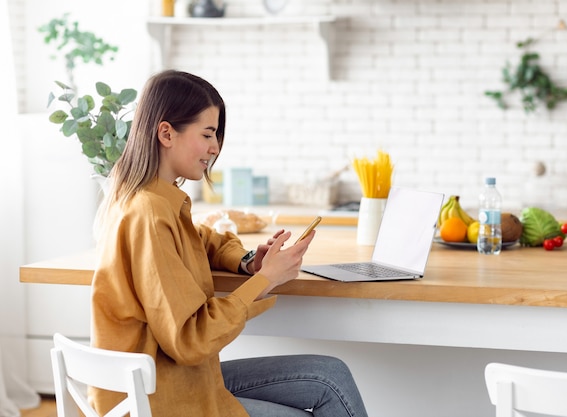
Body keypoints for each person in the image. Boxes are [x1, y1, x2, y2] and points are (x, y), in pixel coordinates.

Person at [90, 69, 369, 417]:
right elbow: (189, 339)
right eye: (207, 134)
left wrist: (250, 261)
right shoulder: (149, 213)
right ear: (166, 133)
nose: (215, 147)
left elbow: (205, 240)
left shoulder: (151, 199)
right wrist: (265, 280)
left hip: (176, 379)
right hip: (161, 399)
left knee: (330, 375)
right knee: (323, 393)